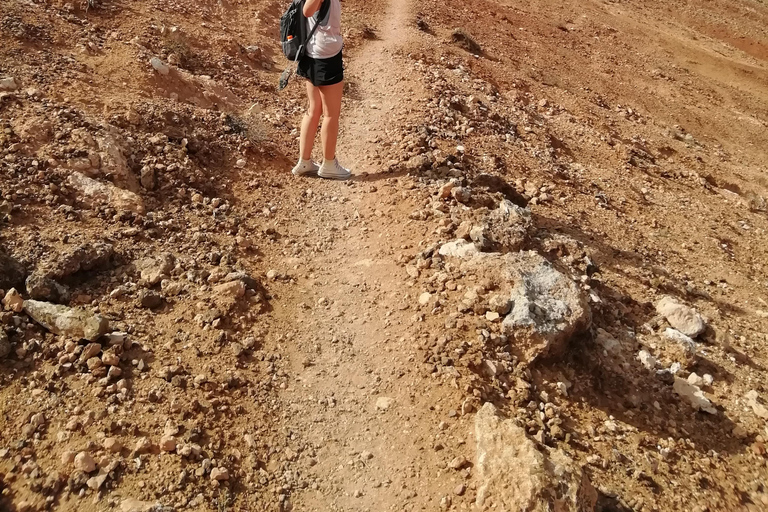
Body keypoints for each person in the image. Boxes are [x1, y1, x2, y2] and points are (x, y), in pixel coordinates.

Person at [291, 0, 351, 180]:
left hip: (312, 53)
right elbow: (308, 10)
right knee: (330, 114)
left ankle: (305, 162)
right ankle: (329, 164)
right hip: (326, 56)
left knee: (313, 110)